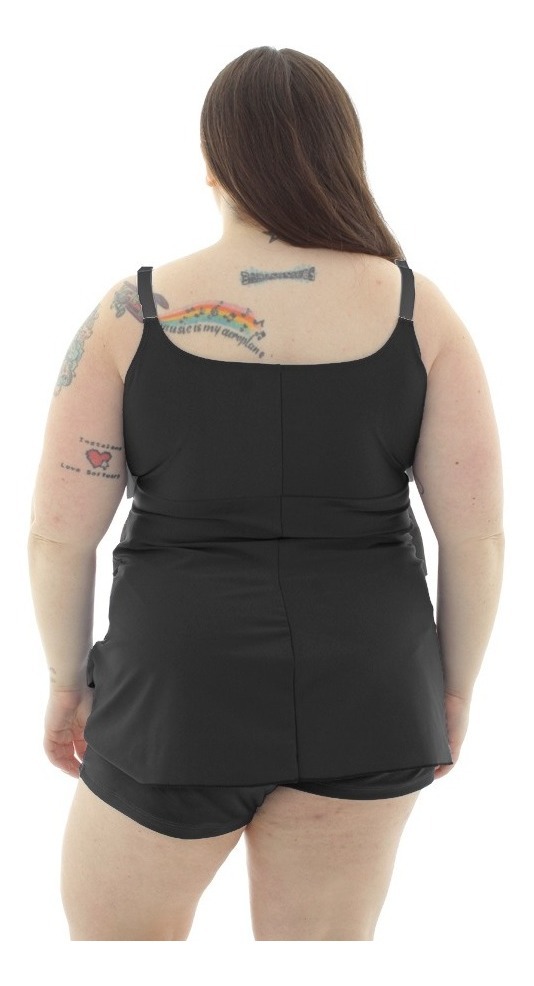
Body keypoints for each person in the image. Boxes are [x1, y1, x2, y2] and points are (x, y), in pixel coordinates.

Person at [27, 46, 504, 941]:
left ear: (213, 163)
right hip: (371, 682)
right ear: (342, 154)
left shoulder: (134, 312)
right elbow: (475, 538)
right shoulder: (418, 311)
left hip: (176, 684)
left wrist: (65, 683)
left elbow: (60, 536)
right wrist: (454, 687)